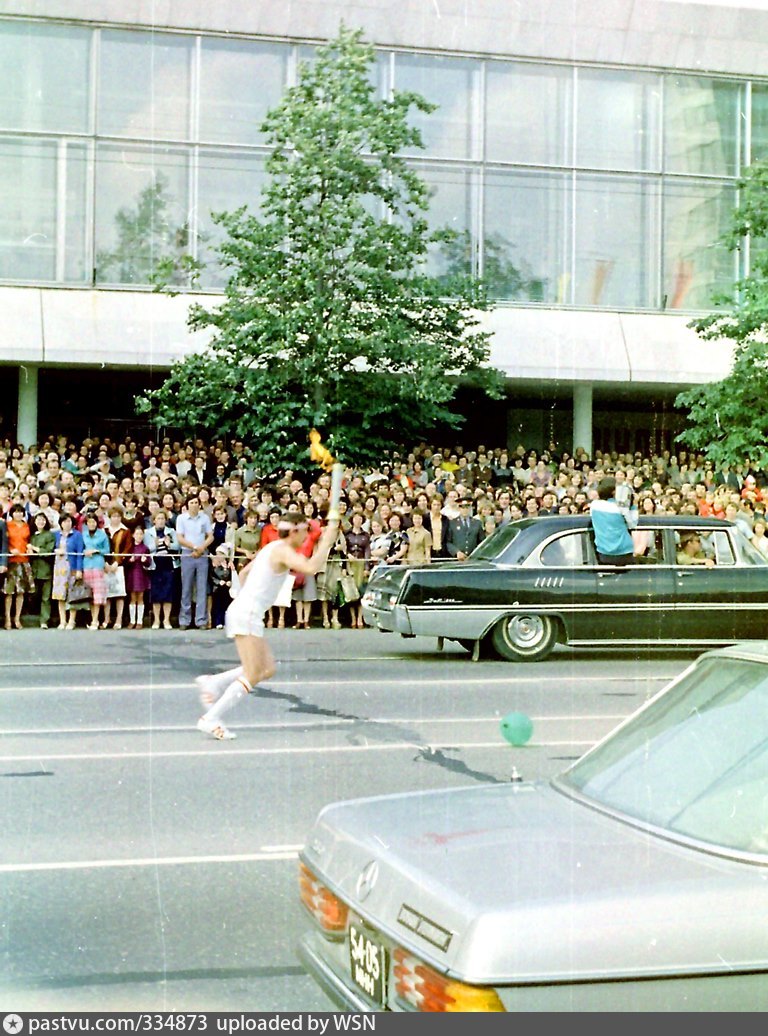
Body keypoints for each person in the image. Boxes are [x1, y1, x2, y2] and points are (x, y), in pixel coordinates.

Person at [196, 512, 340, 740]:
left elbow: (244, 573)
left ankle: (213, 682)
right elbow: (311, 567)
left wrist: (248, 600)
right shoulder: (282, 550)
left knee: (266, 668)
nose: (306, 536)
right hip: (248, 613)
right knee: (253, 673)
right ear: (294, 531)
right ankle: (210, 718)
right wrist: (327, 540)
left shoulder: (272, 547)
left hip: (246, 611)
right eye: (304, 531)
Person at [176, 494, 214, 630]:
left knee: (202, 587)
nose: (194, 505)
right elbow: (180, 537)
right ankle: (184, 620)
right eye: (191, 502)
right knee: (186, 588)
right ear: (187, 505)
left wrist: (202, 547)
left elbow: (210, 536)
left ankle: (201, 620)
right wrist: (194, 547)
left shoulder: (204, 518)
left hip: (202, 554)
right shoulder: (181, 518)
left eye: (196, 502)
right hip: (187, 553)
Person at [589, 477, 638, 566]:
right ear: (614, 492)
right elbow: (633, 524)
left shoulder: (594, 505)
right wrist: (634, 505)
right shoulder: (621, 508)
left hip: (603, 551)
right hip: (623, 551)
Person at [4, 503, 35, 630]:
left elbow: (30, 540)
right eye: (15, 512)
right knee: (9, 592)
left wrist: (30, 547)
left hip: (24, 560)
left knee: (21, 592)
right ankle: (7, 619)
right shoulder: (7, 525)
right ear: (11, 514)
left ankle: (17, 618)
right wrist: (10, 550)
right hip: (11, 561)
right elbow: (4, 541)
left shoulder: (27, 526)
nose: (18, 514)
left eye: (20, 512)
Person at [81, 511, 110, 629]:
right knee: (89, 594)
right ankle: (91, 618)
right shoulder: (83, 534)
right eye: (89, 522)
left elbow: (107, 550)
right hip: (86, 565)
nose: (91, 524)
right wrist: (84, 552)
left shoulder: (102, 535)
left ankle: (95, 620)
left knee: (98, 594)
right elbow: (80, 549)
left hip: (98, 565)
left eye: (93, 522)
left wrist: (97, 551)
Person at [28, 511, 56, 628]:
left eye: (43, 520)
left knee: (46, 597)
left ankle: (44, 620)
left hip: (46, 570)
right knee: (34, 595)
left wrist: (34, 549)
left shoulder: (49, 535)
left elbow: (48, 552)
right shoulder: (32, 536)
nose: (41, 522)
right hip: (34, 569)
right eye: (38, 520)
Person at [124, 525, 153, 628]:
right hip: (132, 574)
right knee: (132, 597)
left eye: (141, 534)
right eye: (137, 534)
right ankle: (132, 620)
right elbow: (125, 562)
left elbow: (149, 563)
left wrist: (145, 561)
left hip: (141, 574)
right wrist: (129, 561)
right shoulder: (130, 547)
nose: (139, 536)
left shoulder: (145, 548)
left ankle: (139, 621)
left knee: (140, 597)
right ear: (133, 535)